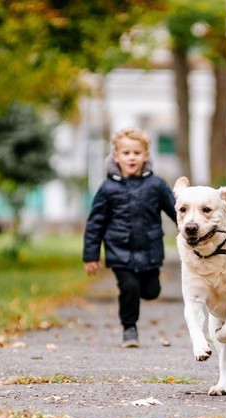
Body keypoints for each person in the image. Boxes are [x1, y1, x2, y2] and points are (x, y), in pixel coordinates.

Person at [83, 127, 177, 348]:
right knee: (129, 288)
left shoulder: (157, 185)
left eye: (137, 153)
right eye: (126, 153)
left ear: (146, 156)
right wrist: (91, 255)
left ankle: (140, 303)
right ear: (116, 156)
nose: (131, 157)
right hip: (119, 249)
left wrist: (191, 231)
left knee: (151, 291)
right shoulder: (107, 188)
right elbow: (95, 223)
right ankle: (129, 329)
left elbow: (175, 210)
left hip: (150, 249)